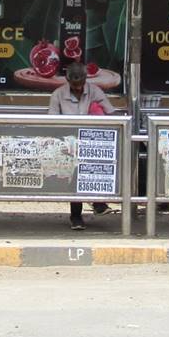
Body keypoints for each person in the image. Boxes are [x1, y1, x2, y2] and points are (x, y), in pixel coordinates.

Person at [48, 62, 115, 230]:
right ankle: (76, 215)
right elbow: (51, 120)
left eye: (81, 85)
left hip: (92, 140)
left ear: (86, 80)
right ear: (67, 80)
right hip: (67, 142)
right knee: (75, 175)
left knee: (94, 169)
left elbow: (110, 113)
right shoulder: (58, 94)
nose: (78, 89)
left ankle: (98, 202)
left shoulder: (95, 91)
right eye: (74, 85)